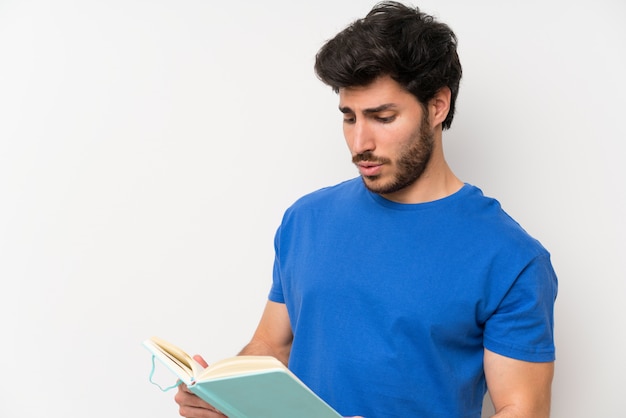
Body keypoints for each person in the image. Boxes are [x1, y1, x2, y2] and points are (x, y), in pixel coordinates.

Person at [174, 2, 558, 417]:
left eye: (382, 117)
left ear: (437, 106)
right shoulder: (306, 220)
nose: (360, 143)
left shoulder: (511, 257)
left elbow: (522, 409)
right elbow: (272, 346)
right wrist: (223, 395)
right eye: (349, 117)